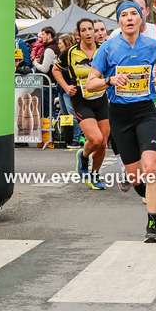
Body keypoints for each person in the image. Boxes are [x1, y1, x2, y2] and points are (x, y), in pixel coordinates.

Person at [85, 0, 156, 242]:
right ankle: (139, 187)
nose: (129, 18)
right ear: (119, 21)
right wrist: (110, 80)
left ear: (141, 19)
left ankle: (152, 226)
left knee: (151, 168)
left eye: (133, 14)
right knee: (136, 175)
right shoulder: (107, 48)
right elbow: (90, 83)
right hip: (119, 114)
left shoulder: (153, 45)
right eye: (124, 15)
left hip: (145, 111)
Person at [52, 18, 110, 189]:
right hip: (80, 98)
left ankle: (94, 174)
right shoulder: (70, 52)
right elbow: (55, 69)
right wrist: (65, 86)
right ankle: (83, 157)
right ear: (78, 34)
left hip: (101, 98)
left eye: (90, 29)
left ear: (94, 31)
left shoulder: (103, 49)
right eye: (83, 30)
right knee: (95, 138)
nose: (88, 33)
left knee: (104, 142)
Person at [55, 34, 81, 147]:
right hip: (61, 89)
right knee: (65, 115)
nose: (58, 45)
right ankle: (68, 137)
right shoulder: (61, 55)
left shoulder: (71, 55)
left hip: (69, 88)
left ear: (66, 43)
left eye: (60, 43)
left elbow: (70, 71)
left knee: (72, 114)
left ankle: (76, 138)